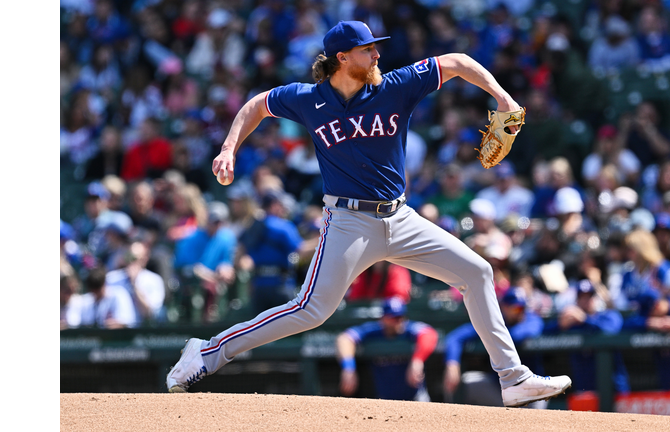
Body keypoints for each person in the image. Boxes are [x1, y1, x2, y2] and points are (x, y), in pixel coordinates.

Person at [167, 20, 572, 407]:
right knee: (311, 310)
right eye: (368, 49)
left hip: (401, 218)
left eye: (376, 46)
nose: (378, 54)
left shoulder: (396, 86)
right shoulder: (309, 99)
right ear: (342, 58)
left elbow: (458, 62)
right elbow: (257, 105)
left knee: (477, 272)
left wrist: (502, 98)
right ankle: (206, 353)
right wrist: (228, 147)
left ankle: (513, 378)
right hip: (348, 221)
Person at [442, 288, 546, 407]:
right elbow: (455, 338)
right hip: (500, 388)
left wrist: (491, 331)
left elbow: (519, 335)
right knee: (467, 383)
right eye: (515, 308)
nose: (520, 312)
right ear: (504, 307)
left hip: (531, 390)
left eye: (522, 308)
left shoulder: (532, 319)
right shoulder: (495, 321)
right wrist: (452, 364)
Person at [335, 297, 438, 401]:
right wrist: (349, 368)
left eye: (400, 317)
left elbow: (429, 333)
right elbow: (344, 338)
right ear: (383, 318)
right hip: (385, 399)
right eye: (392, 317)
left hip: (416, 397)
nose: (398, 321)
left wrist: (417, 360)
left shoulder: (410, 329)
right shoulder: (374, 330)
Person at [547, 280, 630, 396]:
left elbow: (611, 329)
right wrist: (559, 325)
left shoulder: (608, 315)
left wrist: (585, 319)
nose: (585, 301)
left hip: (613, 387)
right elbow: (542, 333)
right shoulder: (572, 323)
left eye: (589, 297)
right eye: (582, 297)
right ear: (577, 300)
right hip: (584, 388)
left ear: (596, 298)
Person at [77, 264, 139, 329]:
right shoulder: (88, 300)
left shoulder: (118, 294)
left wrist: (104, 325)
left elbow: (125, 323)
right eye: (93, 291)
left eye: (98, 290)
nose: (95, 294)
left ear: (104, 284)